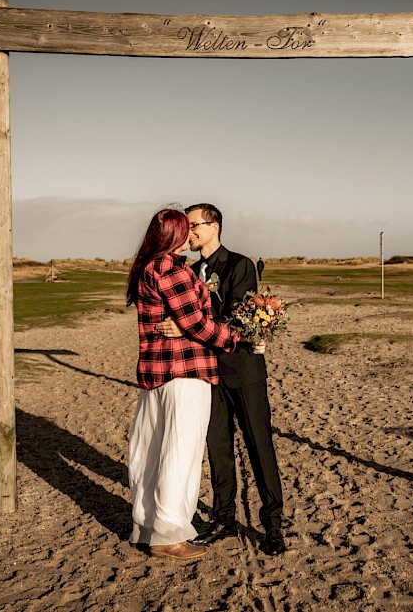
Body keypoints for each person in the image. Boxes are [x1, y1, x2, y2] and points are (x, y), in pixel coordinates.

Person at [160, 203, 286, 556]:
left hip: (242, 371)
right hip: (204, 372)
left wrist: (185, 325)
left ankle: (273, 525)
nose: (189, 233)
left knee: (260, 447)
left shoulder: (239, 265)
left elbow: (236, 318)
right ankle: (224, 519)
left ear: (213, 226)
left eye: (194, 225)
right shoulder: (186, 269)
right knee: (218, 450)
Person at [125, 208, 239, 561]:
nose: (191, 234)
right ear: (174, 236)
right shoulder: (171, 269)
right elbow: (197, 325)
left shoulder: (145, 267)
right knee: (180, 453)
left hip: (155, 373)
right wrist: (236, 337)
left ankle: (146, 527)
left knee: (149, 452)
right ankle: (170, 536)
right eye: (185, 229)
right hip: (185, 372)